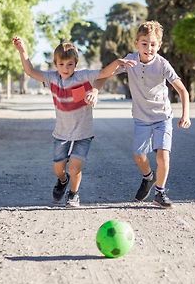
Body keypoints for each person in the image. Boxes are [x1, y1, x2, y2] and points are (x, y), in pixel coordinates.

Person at [12, 36, 135, 207]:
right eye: (61, 64)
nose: (65, 68)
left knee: (75, 167)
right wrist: (22, 50)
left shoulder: (83, 76)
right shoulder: (52, 78)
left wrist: (118, 62)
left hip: (83, 133)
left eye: (70, 64)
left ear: (75, 64)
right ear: (56, 65)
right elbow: (30, 71)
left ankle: (73, 194)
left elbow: (104, 73)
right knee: (58, 169)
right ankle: (63, 181)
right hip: (61, 134)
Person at [97, 20, 191, 208]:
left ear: (159, 45)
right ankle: (148, 177)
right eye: (144, 43)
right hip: (141, 119)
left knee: (163, 154)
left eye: (153, 44)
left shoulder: (163, 64)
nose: (149, 48)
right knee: (139, 155)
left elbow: (183, 91)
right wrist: (112, 69)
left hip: (162, 117)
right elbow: (104, 74)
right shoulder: (130, 60)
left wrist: (185, 115)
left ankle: (160, 192)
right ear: (136, 43)